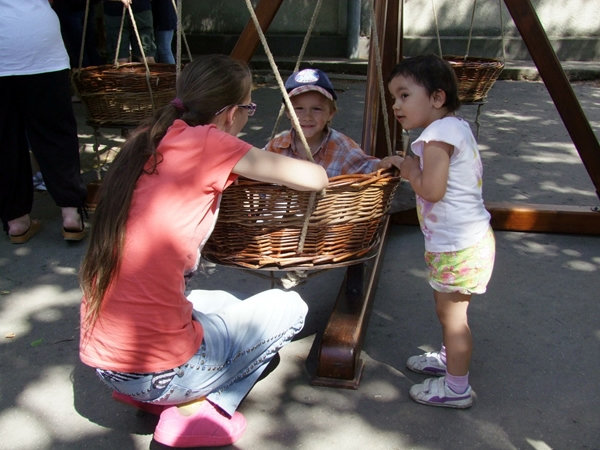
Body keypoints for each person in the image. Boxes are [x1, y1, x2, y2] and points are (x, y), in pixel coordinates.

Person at [78, 54, 328, 448]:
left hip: (107, 365)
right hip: (160, 372)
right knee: (290, 306)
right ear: (230, 113)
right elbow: (316, 177)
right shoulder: (211, 143)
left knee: (219, 300)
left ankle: (150, 393)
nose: (248, 115)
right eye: (249, 108)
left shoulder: (148, 136)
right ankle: (196, 412)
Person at [388, 54, 495, 409]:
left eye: (404, 95)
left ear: (437, 97)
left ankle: (456, 388)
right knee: (448, 311)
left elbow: (432, 190)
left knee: (454, 319)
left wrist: (409, 170)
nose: (396, 105)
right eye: (394, 97)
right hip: (465, 241)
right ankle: (450, 361)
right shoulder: (454, 127)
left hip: (457, 247)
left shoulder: (436, 136)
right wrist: (410, 164)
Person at [0, 1, 88, 243]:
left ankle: (16, 221)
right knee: (56, 133)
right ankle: (71, 214)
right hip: (39, 43)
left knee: (4, 140)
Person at [264, 68, 402, 177]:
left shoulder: (342, 147)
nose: (307, 116)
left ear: (330, 113)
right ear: (288, 112)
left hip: (326, 206)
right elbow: (256, 164)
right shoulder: (276, 147)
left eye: (316, 109)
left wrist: (382, 165)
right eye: (299, 109)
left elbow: (366, 166)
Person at [152, 0, 177, 64]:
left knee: (164, 49)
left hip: (164, 17)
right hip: (160, 16)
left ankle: (172, 70)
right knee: (159, 50)